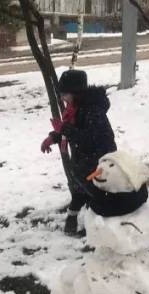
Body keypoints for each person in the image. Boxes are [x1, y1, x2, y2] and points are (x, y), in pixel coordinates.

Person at [40, 70, 117, 236]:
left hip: (100, 162)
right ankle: (73, 222)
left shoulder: (93, 110)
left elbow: (89, 139)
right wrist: (53, 137)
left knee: (97, 196)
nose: (62, 98)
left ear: (76, 92)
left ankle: (98, 232)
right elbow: (72, 129)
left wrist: (64, 129)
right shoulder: (75, 108)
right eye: (61, 94)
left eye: (65, 94)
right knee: (82, 190)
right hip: (85, 161)